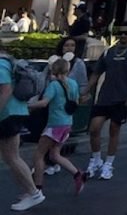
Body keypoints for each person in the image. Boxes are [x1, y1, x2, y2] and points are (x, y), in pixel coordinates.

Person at [86, 24, 127, 182]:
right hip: (105, 96)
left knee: (114, 129)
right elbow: (97, 72)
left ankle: (109, 163)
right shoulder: (109, 52)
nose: (123, 35)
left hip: (123, 97)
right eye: (120, 33)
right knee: (94, 128)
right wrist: (85, 90)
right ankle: (96, 159)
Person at [27, 58, 85, 197]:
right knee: (54, 154)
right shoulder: (73, 83)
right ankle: (78, 174)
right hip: (67, 123)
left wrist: (27, 106)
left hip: (54, 124)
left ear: (53, 70)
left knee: (39, 155)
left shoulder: (53, 85)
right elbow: (76, 101)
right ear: (68, 70)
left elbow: (44, 103)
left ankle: (37, 189)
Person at [1, 42, 42, 210]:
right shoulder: (6, 61)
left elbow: (5, 90)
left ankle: (34, 193)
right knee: (11, 157)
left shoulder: (1, 64)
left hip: (7, 114)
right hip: (14, 112)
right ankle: (30, 191)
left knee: (12, 157)